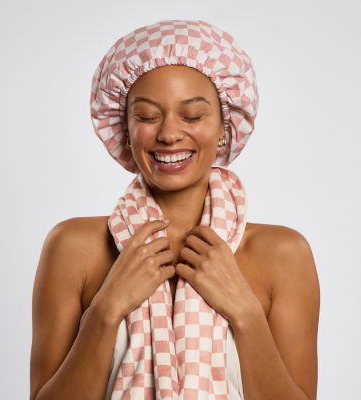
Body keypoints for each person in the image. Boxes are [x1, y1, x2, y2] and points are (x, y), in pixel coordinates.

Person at [30, 20, 320, 400]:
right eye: (147, 117)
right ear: (125, 128)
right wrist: (108, 308)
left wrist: (245, 312)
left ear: (224, 127)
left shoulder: (284, 255)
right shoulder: (71, 247)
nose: (168, 134)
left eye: (193, 116)